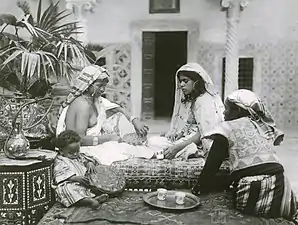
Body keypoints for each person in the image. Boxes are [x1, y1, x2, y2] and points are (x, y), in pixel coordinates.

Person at [191, 89, 298, 222]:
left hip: (254, 191)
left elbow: (211, 166)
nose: (224, 113)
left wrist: (199, 187)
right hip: (284, 187)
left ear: (238, 111)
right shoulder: (262, 127)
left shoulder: (226, 128)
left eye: (228, 109)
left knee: (220, 183)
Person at [56, 65, 154, 165]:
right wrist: (108, 138)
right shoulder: (82, 105)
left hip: (96, 142)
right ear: (88, 84)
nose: (103, 90)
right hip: (79, 149)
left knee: (136, 146)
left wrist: (135, 120)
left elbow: (119, 109)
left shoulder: (95, 100)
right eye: (99, 86)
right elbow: (79, 139)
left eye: (104, 86)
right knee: (125, 150)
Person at [147, 63, 225, 159]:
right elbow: (191, 125)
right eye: (180, 81)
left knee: (155, 145)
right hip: (188, 138)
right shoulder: (194, 99)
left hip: (199, 142)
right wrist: (178, 134)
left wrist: (177, 147)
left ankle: (191, 152)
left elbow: (204, 133)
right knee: (153, 141)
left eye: (185, 81)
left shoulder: (204, 101)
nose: (181, 85)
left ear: (196, 81)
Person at [52, 130, 109, 209]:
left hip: (84, 183)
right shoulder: (61, 160)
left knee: (94, 185)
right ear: (61, 151)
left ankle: (93, 198)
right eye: (71, 153)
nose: (75, 154)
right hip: (71, 182)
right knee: (68, 190)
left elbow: (88, 159)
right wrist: (74, 178)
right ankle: (89, 201)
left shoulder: (79, 156)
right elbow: (59, 173)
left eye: (77, 151)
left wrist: (90, 163)